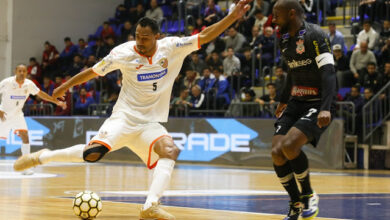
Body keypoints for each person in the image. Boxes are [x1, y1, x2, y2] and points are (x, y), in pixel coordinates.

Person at [13, 1, 252, 219]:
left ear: (157, 37)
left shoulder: (173, 47)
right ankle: (42, 157)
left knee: (170, 150)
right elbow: (94, 71)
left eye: (145, 38)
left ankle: (150, 206)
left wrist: (232, 17)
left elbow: (206, 35)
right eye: (137, 36)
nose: (140, 41)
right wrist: (65, 85)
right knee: (92, 154)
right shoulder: (123, 52)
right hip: (124, 118)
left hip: (149, 123)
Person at [271, 1, 338, 219]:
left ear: (292, 13)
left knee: (290, 146)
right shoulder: (283, 38)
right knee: (276, 152)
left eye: (276, 15)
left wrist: (326, 108)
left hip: (317, 102)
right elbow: (292, 71)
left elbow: (328, 72)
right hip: (295, 101)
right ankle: (295, 202)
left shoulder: (314, 34)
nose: (273, 19)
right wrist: (283, 99)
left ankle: (309, 194)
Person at [0, 64, 65, 175]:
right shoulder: (6, 82)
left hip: (17, 115)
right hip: (4, 114)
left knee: (25, 137)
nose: (21, 73)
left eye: (24, 71)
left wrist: (56, 101)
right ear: (15, 71)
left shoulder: (29, 84)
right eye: (19, 71)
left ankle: (25, 166)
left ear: (26, 73)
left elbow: (41, 94)